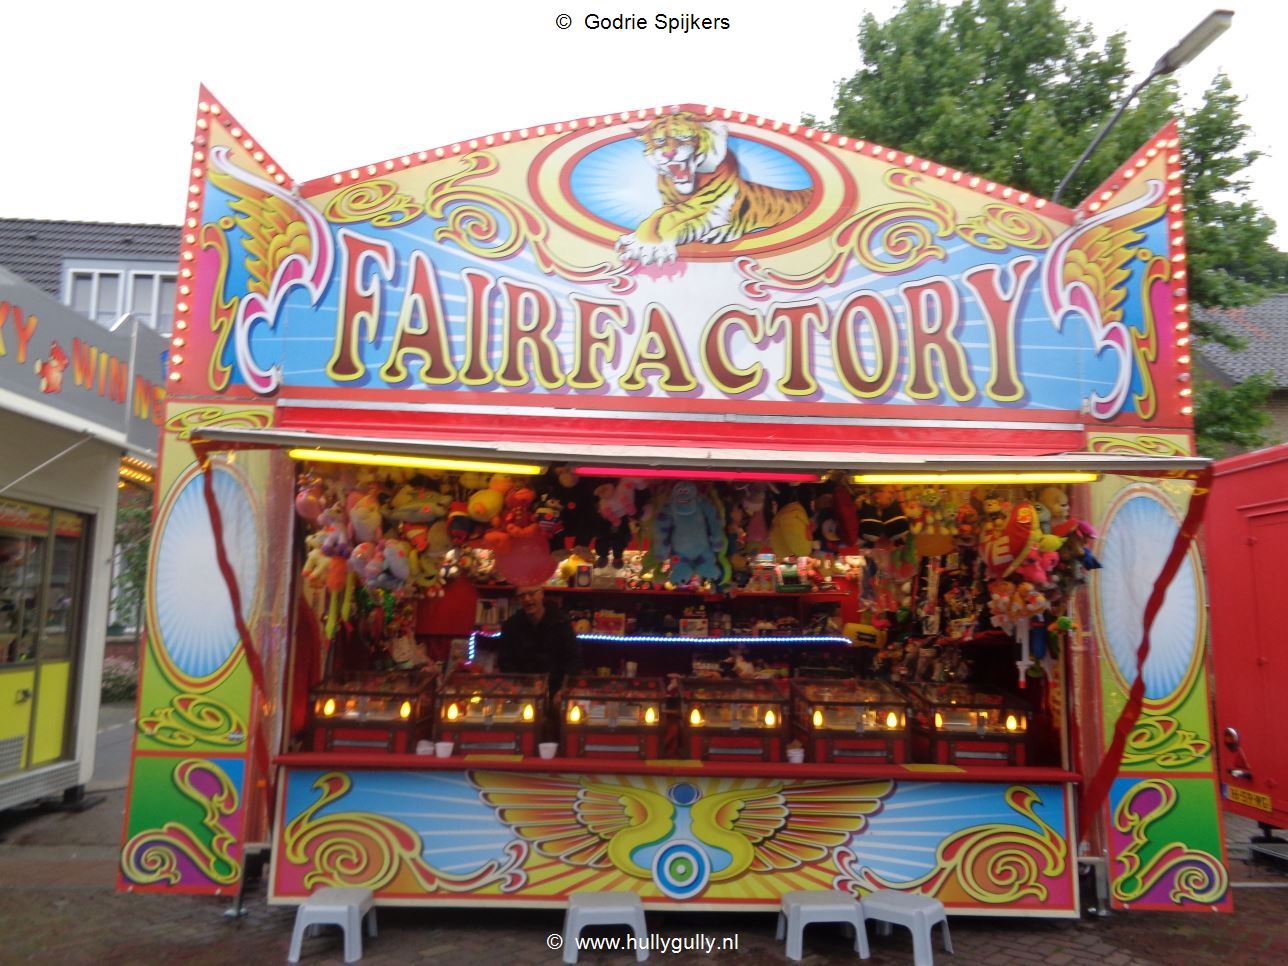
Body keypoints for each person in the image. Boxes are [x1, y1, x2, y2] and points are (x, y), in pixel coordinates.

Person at [494, 585, 581, 693]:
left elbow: (573, 659)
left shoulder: (561, 622)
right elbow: (505, 661)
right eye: (522, 595)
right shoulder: (510, 625)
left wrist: (563, 689)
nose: (527, 599)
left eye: (531, 593)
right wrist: (518, 687)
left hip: (556, 689)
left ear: (542, 594)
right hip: (524, 691)